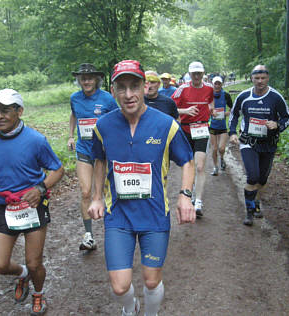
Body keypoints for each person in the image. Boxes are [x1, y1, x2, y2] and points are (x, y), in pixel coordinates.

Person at [88, 60, 195, 316]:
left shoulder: (166, 125)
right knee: (119, 286)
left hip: (155, 215)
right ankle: (130, 307)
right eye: (121, 87)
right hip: (119, 216)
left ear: (143, 87)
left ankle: (150, 313)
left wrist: (185, 195)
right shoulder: (103, 126)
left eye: (134, 86)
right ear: (113, 90)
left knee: (150, 280)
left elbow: (187, 161)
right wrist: (96, 197)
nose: (128, 94)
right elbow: (99, 159)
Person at [0, 89, 64, 315]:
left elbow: (57, 169)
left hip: (33, 205)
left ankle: (38, 294)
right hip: (5, 206)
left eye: (5, 111)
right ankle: (22, 273)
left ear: (19, 111)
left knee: (35, 262)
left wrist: (40, 188)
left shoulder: (36, 140)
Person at [229, 65, 289, 226]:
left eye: (263, 78)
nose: (260, 81)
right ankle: (249, 211)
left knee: (262, 179)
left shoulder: (276, 97)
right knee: (253, 176)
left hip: (268, 144)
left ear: (267, 78)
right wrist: (232, 133)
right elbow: (234, 114)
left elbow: (287, 118)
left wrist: (277, 125)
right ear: (252, 78)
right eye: (257, 78)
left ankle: (257, 202)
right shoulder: (244, 96)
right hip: (248, 142)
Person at [68, 63, 119, 250]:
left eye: (90, 78)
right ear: (79, 80)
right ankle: (88, 235)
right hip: (83, 150)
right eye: (83, 78)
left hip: (103, 155)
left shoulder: (107, 99)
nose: (86, 81)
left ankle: (113, 230)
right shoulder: (74, 98)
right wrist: (70, 136)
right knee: (85, 192)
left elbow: (117, 120)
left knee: (105, 192)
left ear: (96, 80)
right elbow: (74, 115)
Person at [172, 61, 214, 218]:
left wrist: (210, 109)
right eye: (194, 73)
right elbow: (171, 108)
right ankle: (188, 194)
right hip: (186, 130)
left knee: (201, 166)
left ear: (203, 74)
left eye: (199, 73)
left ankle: (199, 201)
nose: (196, 76)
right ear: (189, 74)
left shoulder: (209, 88)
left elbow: (210, 101)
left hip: (202, 129)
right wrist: (185, 110)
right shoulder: (182, 89)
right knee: (188, 165)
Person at [209, 76, 233, 175]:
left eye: (219, 83)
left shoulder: (226, 95)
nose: (217, 85)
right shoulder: (209, 95)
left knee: (221, 148)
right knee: (214, 149)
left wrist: (227, 113)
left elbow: (233, 108)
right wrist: (209, 112)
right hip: (212, 126)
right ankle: (215, 167)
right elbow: (204, 107)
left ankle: (222, 159)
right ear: (213, 84)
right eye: (215, 83)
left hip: (223, 126)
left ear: (222, 84)